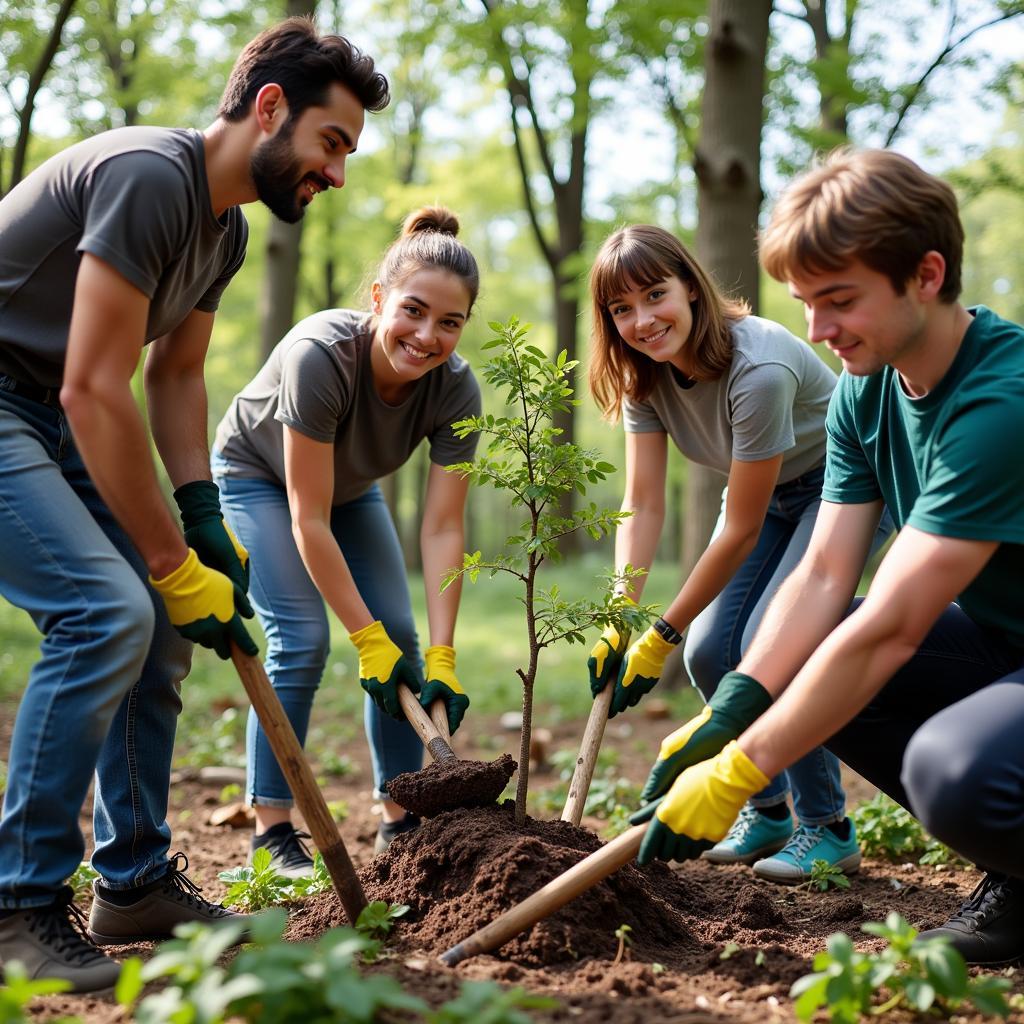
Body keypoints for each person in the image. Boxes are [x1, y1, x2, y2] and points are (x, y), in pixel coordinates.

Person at [0, 18, 388, 991]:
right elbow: (96, 386)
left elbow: (174, 376)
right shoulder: (146, 176)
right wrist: (168, 563)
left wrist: (196, 514)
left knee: (166, 628)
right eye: (331, 142)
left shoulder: (223, 226)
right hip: (23, 399)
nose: (337, 171)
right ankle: (16, 904)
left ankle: (131, 881)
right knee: (107, 610)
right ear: (269, 110)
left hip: (50, 407)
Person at [631, 147, 1024, 966]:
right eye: (807, 304)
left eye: (839, 301)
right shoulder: (864, 389)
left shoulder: (1000, 403)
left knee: (961, 775)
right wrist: (736, 705)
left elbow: (891, 626)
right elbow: (820, 574)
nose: (818, 332)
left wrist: (744, 768)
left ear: (925, 273)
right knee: (815, 655)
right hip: (1005, 639)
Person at [585, 224, 890, 884]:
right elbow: (643, 504)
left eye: (656, 295)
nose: (642, 320)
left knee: (769, 645)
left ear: (691, 288)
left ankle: (827, 827)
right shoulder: (646, 376)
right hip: (768, 493)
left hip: (840, 486)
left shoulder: (758, 368)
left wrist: (661, 633)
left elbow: (739, 531)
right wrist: (623, 615)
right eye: (621, 309)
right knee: (708, 651)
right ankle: (769, 811)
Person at [211, 206, 481, 873]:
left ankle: (399, 817)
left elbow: (444, 524)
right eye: (413, 311)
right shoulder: (319, 356)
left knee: (404, 640)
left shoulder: (458, 391)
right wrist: (363, 642)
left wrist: (443, 654)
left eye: (450, 322)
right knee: (303, 640)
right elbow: (308, 516)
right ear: (379, 298)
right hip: (259, 477)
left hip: (352, 487)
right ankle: (272, 825)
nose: (427, 336)